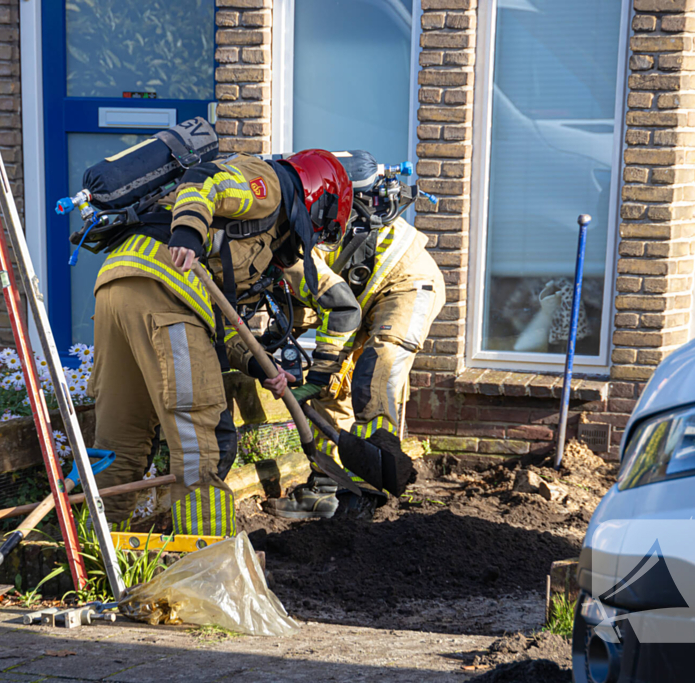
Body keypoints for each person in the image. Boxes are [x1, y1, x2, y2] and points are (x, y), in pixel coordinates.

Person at [86, 149, 360, 535]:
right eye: (318, 230)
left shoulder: (249, 236)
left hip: (117, 287)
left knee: (121, 438)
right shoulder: (270, 186)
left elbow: (217, 320)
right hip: (168, 292)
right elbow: (204, 180)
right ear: (318, 201)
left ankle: (97, 552)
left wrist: (259, 364)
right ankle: (209, 555)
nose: (308, 241)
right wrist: (187, 233)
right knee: (202, 441)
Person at [263, 172, 446, 520]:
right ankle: (325, 490)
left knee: (377, 373)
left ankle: (370, 490)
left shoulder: (287, 246)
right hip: (356, 295)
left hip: (406, 282)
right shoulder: (272, 245)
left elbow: (335, 305)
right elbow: (303, 308)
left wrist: (320, 369)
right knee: (333, 388)